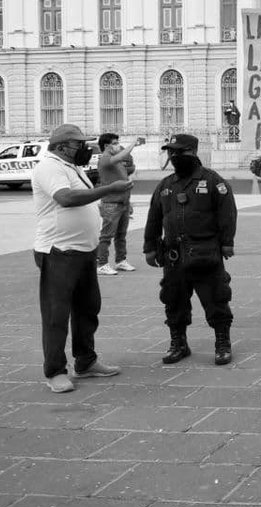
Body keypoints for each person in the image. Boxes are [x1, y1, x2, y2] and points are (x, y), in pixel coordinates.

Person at [31, 124, 133, 393]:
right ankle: (54, 371)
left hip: (83, 251)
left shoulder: (71, 167)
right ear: (62, 146)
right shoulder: (49, 167)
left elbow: (83, 200)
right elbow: (66, 198)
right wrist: (108, 190)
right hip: (59, 251)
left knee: (87, 309)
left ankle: (86, 361)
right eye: (79, 144)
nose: (86, 148)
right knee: (57, 314)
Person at [143, 134, 238, 366]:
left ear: (193, 153)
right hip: (174, 257)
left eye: (179, 152)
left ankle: (222, 343)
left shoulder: (213, 180)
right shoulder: (165, 185)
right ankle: (179, 343)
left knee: (216, 299)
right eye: (171, 153)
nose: (174, 157)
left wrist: (227, 242)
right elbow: (154, 217)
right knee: (173, 301)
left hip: (205, 253)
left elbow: (227, 213)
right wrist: (150, 247)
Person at [95, 133, 143, 276]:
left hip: (123, 202)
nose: (118, 145)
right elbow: (121, 156)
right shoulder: (105, 159)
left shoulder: (117, 162)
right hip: (111, 204)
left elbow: (124, 177)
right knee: (106, 236)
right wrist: (133, 144)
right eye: (115, 143)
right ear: (106, 146)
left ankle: (120, 260)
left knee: (121, 235)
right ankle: (102, 263)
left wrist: (128, 202)